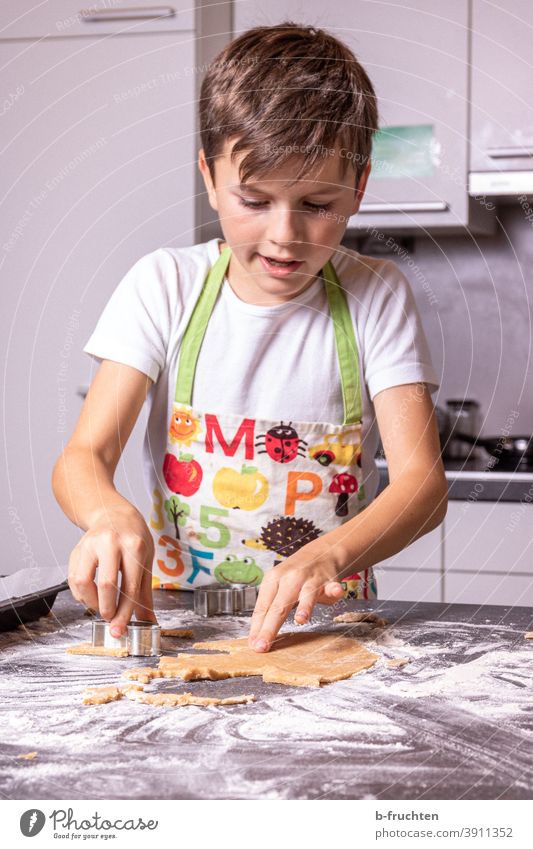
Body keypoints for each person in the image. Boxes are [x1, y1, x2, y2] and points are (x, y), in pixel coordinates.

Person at [52, 22, 447, 654]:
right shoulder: (164, 286)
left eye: (318, 204)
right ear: (210, 177)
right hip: (182, 621)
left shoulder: (378, 294)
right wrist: (107, 513)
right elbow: (84, 459)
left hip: (325, 625)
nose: (285, 234)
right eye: (254, 200)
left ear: (360, 187)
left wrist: (331, 555)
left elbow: (421, 488)